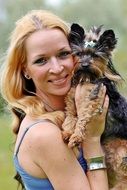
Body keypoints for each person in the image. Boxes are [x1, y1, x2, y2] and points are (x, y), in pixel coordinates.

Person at [0, 10, 110, 190]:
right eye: (41, 60)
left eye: (63, 54)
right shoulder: (44, 134)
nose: (57, 68)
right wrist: (92, 139)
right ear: (25, 70)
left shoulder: (74, 116)